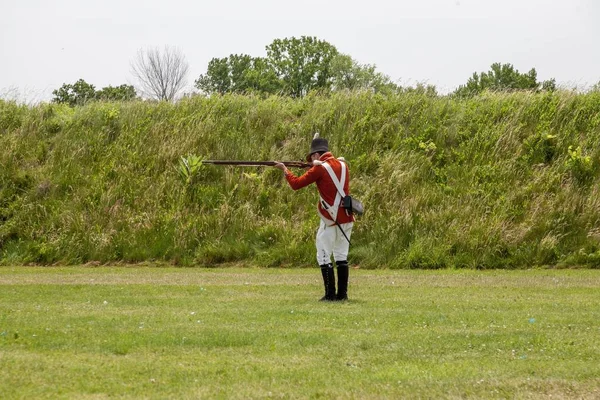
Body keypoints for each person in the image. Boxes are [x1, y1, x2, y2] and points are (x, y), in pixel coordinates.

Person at [274, 133, 354, 301]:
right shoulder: (343, 164)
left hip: (330, 218)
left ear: (316, 155)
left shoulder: (319, 168)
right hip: (346, 217)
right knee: (341, 256)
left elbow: (296, 184)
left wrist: (285, 170)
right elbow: (328, 175)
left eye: (312, 157)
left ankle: (330, 294)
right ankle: (342, 295)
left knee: (324, 255)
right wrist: (311, 167)